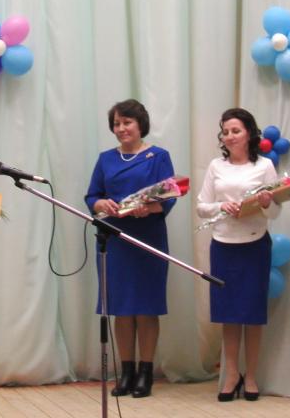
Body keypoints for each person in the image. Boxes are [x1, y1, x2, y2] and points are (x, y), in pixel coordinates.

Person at [85, 99, 176, 398]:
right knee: (121, 309)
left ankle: (145, 372)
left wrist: (148, 208)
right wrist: (101, 204)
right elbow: (92, 197)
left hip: (148, 238)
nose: (121, 128)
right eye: (117, 123)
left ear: (140, 124)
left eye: (127, 122)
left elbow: (170, 195)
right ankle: (126, 372)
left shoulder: (158, 156)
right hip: (115, 238)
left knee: (146, 307)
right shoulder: (105, 159)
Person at [196, 108, 279, 402]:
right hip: (223, 244)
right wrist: (222, 206)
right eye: (226, 132)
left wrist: (266, 202)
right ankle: (231, 374)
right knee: (228, 314)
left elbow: (276, 211)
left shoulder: (265, 165)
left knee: (252, 314)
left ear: (249, 133)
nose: (230, 136)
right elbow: (202, 206)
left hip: (255, 244)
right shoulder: (216, 166)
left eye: (236, 131)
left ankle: (251, 376)